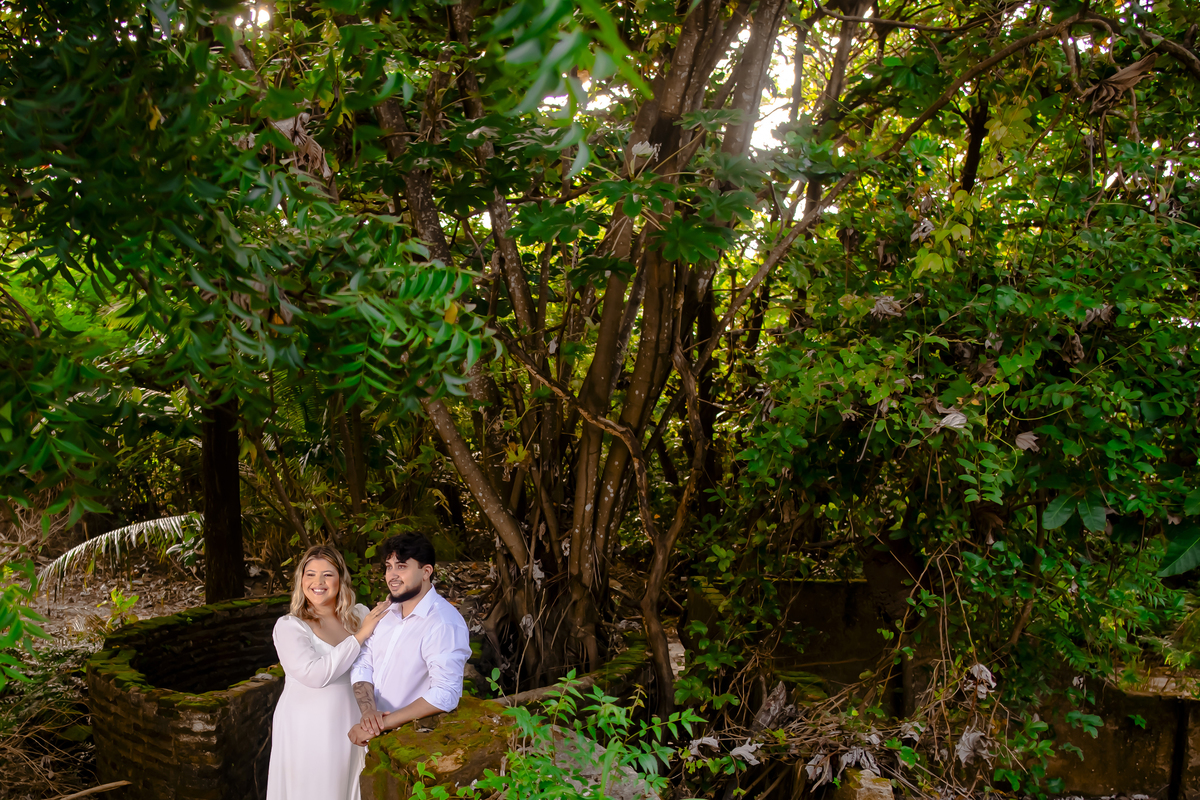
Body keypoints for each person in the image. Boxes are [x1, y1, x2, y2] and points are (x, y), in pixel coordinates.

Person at [266, 545, 391, 800]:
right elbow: (315, 675)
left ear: (340, 578)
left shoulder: (359, 615)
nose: (318, 582)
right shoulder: (290, 626)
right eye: (310, 574)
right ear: (301, 579)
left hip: (353, 718)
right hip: (308, 726)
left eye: (327, 574)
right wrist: (360, 636)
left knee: (352, 786)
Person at [348, 532, 471, 745]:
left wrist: (382, 724)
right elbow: (363, 661)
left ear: (426, 572)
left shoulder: (443, 623)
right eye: (389, 567)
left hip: (413, 742)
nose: (392, 575)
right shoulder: (385, 613)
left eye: (402, 566)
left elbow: (445, 693)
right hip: (370, 734)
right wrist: (369, 714)